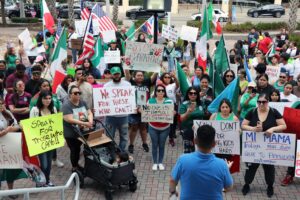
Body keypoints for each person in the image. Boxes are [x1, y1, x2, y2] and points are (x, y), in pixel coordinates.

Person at [169, 124, 233, 200]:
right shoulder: (222, 164)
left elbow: (173, 180)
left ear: (195, 141)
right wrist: (225, 169)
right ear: (214, 144)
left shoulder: (183, 159)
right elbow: (228, 187)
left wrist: (173, 194)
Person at [241, 93, 287, 198]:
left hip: (268, 147)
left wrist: (272, 129)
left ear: (268, 102)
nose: (261, 104)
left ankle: (270, 186)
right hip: (254, 146)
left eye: (264, 102)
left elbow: (284, 125)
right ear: (257, 102)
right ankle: (247, 184)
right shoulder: (252, 111)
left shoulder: (274, 112)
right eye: (259, 102)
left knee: (269, 168)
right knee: (251, 167)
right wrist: (253, 129)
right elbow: (243, 125)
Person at [124, 70, 157, 154]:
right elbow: (127, 74)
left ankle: (144, 143)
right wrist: (126, 65)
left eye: (141, 75)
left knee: (143, 127)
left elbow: (154, 75)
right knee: (133, 128)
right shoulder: (131, 82)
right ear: (134, 76)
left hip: (144, 108)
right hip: (134, 108)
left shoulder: (146, 82)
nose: (140, 77)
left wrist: (157, 67)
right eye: (138, 75)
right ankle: (131, 144)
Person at [62, 85, 93, 172]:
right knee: (74, 149)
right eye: (75, 93)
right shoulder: (66, 105)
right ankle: (74, 167)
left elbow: (89, 112)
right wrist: (84, 123)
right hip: (71, 133)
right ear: (70, 95)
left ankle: (80, 164)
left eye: (79, 93)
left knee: (82, 148)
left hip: (82, 131)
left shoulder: (82, 102)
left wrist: (90, 121)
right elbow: (69, 119)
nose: (78, 95)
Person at [30, 90, 57, 187]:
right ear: (41, 99)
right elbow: (31, 126)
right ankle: (40, 180)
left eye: (50, 98)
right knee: (44, 164)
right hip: (40, 142)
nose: (48, 100)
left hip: (51, 141)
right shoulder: (35, 110)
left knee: (49, 164)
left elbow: (56, 125)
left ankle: (47, 180)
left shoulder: (53, 109)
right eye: (45, 98)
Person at [0, 97, 23, 199]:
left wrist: (12, 129)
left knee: (10, 168)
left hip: (8, 144)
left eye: (2, 103)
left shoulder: (7, 112)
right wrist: (5, 131)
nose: (1, 106)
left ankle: (11, 191)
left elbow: (17, 126)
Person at [210, 99, 240, 174]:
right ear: (220, 108)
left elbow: (238, 134)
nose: (225, 109)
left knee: (225, 167)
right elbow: (208, 128)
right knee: (215, 167)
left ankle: (225, 182)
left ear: (230, 108)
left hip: (228, 148)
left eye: (226, 107)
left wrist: (239, 131)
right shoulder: (214, 116)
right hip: (215, 146)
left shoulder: (234, 118)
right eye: (223, 107)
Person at [104, 67, 131, 151]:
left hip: (124, 116)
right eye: (114, 74)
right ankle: (111, 152)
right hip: (110, 117)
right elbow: (103, 100)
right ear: (111, 75)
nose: (116, 75)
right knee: (109, 137)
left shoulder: (127, 85)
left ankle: (121, 152)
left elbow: (130, 98)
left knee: (124, 137)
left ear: (120, 74)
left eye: (118, 73)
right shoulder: (106, 86)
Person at [148, 85, 173, 171]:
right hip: (153, 127)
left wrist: (173, 113)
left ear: (164, 92)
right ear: (155, 92)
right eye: (158, 90)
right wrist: (141, 111)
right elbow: (146, 113)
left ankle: (160, 162)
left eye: (162, 90)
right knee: (154, 145)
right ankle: (155, 162)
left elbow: (172, 112)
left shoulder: (169, 101)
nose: (161, 92)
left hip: (165, 128)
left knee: (162, 145)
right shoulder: (150, 101)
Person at [180, 87, 204, 153]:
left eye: (195, 93)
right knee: (189, 152)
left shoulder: (201, 103)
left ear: (197, 95)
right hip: (188, 131)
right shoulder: (184, 105)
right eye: (191, 93)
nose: (193, 95)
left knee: (199, 151)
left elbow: (205, 115)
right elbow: (181, 119)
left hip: (199, 131)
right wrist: (188, 112)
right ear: (188, 95)